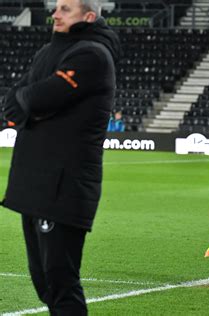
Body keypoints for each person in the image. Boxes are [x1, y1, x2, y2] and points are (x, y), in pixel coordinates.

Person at [1, 0, 120, 314]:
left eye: (65, 9)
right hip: (35, 184)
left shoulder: (93, 54)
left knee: (60, 284)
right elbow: (13, 102)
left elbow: (38, 97)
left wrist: (31, 103)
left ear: (89, 16)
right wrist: (30, 102)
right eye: (56, 8)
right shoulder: (46, 53)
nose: (55, 13)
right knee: (45, 284)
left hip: (64, 186)